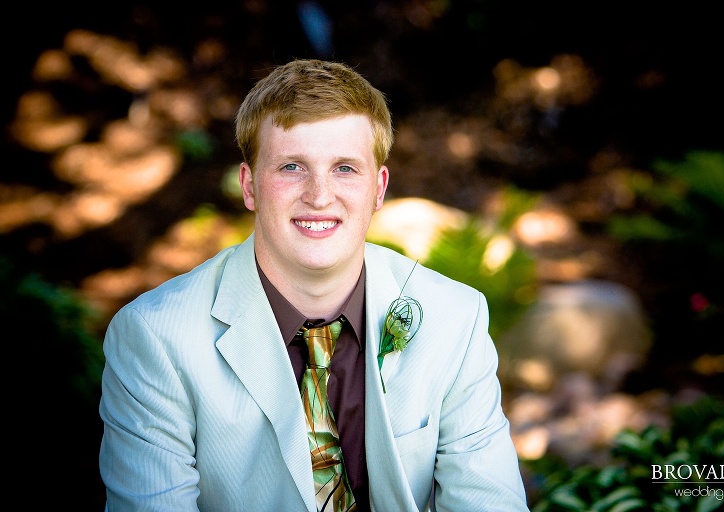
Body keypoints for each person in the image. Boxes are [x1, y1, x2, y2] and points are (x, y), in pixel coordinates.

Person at [99, 58, 529, 511]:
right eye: (291, 167)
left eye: (345, 168)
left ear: (379, 189)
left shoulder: (454, 319)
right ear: (249, 186)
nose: (319, 195)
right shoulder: (155, 337)